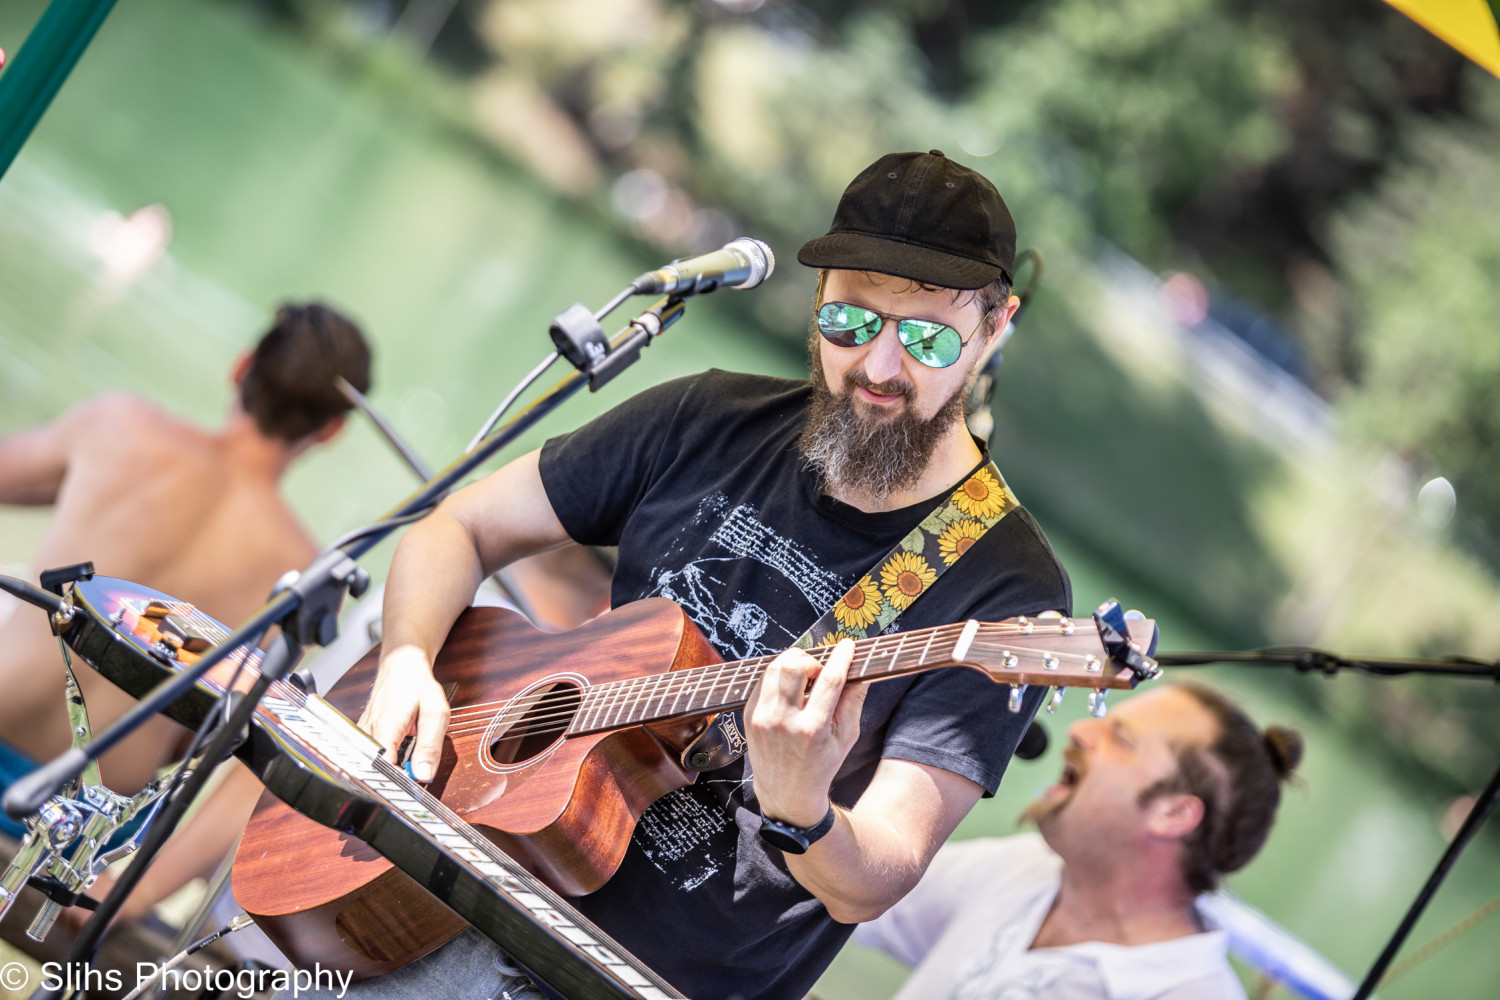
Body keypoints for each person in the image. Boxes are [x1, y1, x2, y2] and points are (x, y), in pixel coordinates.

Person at [350, 149, 1071, 1000]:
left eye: (924, 338)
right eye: (851, 323)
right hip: (467, 889)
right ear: (817, 298)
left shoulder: (1007, 589)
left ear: (995, 325)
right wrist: (406, 660)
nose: (879, 368)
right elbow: (458, 525)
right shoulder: (705, 416)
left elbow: (879, 873)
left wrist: (802, 806)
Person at [0, 301, 373, 920]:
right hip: (84, 835)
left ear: (242, 366)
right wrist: (138, 892)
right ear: (332, 429)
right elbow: (245, 751)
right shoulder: (300, 577)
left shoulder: (120, 427)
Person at [855, 682, 1305, 1000]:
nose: (1080, 730)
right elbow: (843, 892)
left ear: (1173, 814)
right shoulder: (1029, 867)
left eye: (1121, 740)